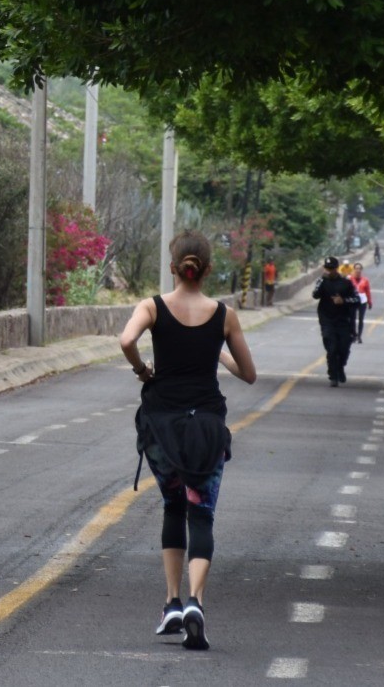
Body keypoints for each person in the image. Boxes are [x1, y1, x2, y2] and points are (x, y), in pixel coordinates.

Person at [119, 230, 256, 651]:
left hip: (163, 426)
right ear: (208, 269)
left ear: (173, 268)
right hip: (206, 426)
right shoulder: (224, 315)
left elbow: (126, 340)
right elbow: (249, 374)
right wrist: (217, 351)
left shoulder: (152, 307)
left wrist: (143, 371)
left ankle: (172, 603)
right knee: (202, 511)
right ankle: (196, 601)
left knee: (173, 505)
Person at [313, 256, 359, 386]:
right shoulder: (322, 281)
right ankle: (333, 375)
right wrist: (322, 279)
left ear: (336, 268)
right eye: (327, 268)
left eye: (332, 268)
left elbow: (357, 299)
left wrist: (343, 301)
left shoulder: (346, 282)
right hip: (327, 320)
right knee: (331, 348)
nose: (329, 271)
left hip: (343, 321)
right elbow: (315, 295)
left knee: (343, 348)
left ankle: (340, 367)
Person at [350, 262, 373, 343]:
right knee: (352, 319)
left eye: (359, 269)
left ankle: (359, 336)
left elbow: (368, 291)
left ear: (361, 270)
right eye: (356, 268)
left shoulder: (365, 280)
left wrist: (369, 302)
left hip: (362, 301)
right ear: (354, 269)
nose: (358, 270)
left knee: (361, 319)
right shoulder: (350, 279)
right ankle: (354, 335)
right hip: (352, 301)